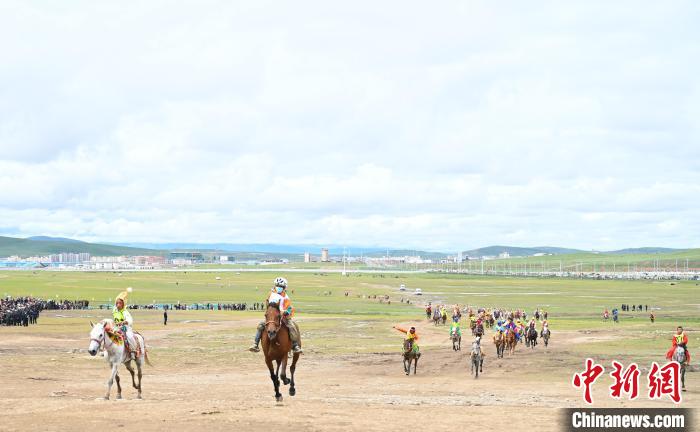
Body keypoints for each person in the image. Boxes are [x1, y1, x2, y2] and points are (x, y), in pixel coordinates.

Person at [249, 277, 302, 354]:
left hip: (283, 316)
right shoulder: (271, 294)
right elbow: (267, 303)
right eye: (277, 286)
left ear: (284, 287)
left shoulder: (286, 297)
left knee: (292, 327)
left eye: (281, 286)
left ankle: (295, 345)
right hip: (272, 316)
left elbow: (289, 307)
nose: (279, 287)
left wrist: (287, 312)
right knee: (260, 326)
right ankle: (255, 344)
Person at [112, 288, 137, 360]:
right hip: (116, 328)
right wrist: (124, 293)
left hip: (125, 328)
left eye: (120, 303)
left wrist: (124, 322)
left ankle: (133, 351)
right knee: (107, 335)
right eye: (117, 303)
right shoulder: (114, 310)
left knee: (130, 337)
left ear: (123, 304)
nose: (118, 305)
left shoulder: (125, 312)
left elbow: (130, 320)